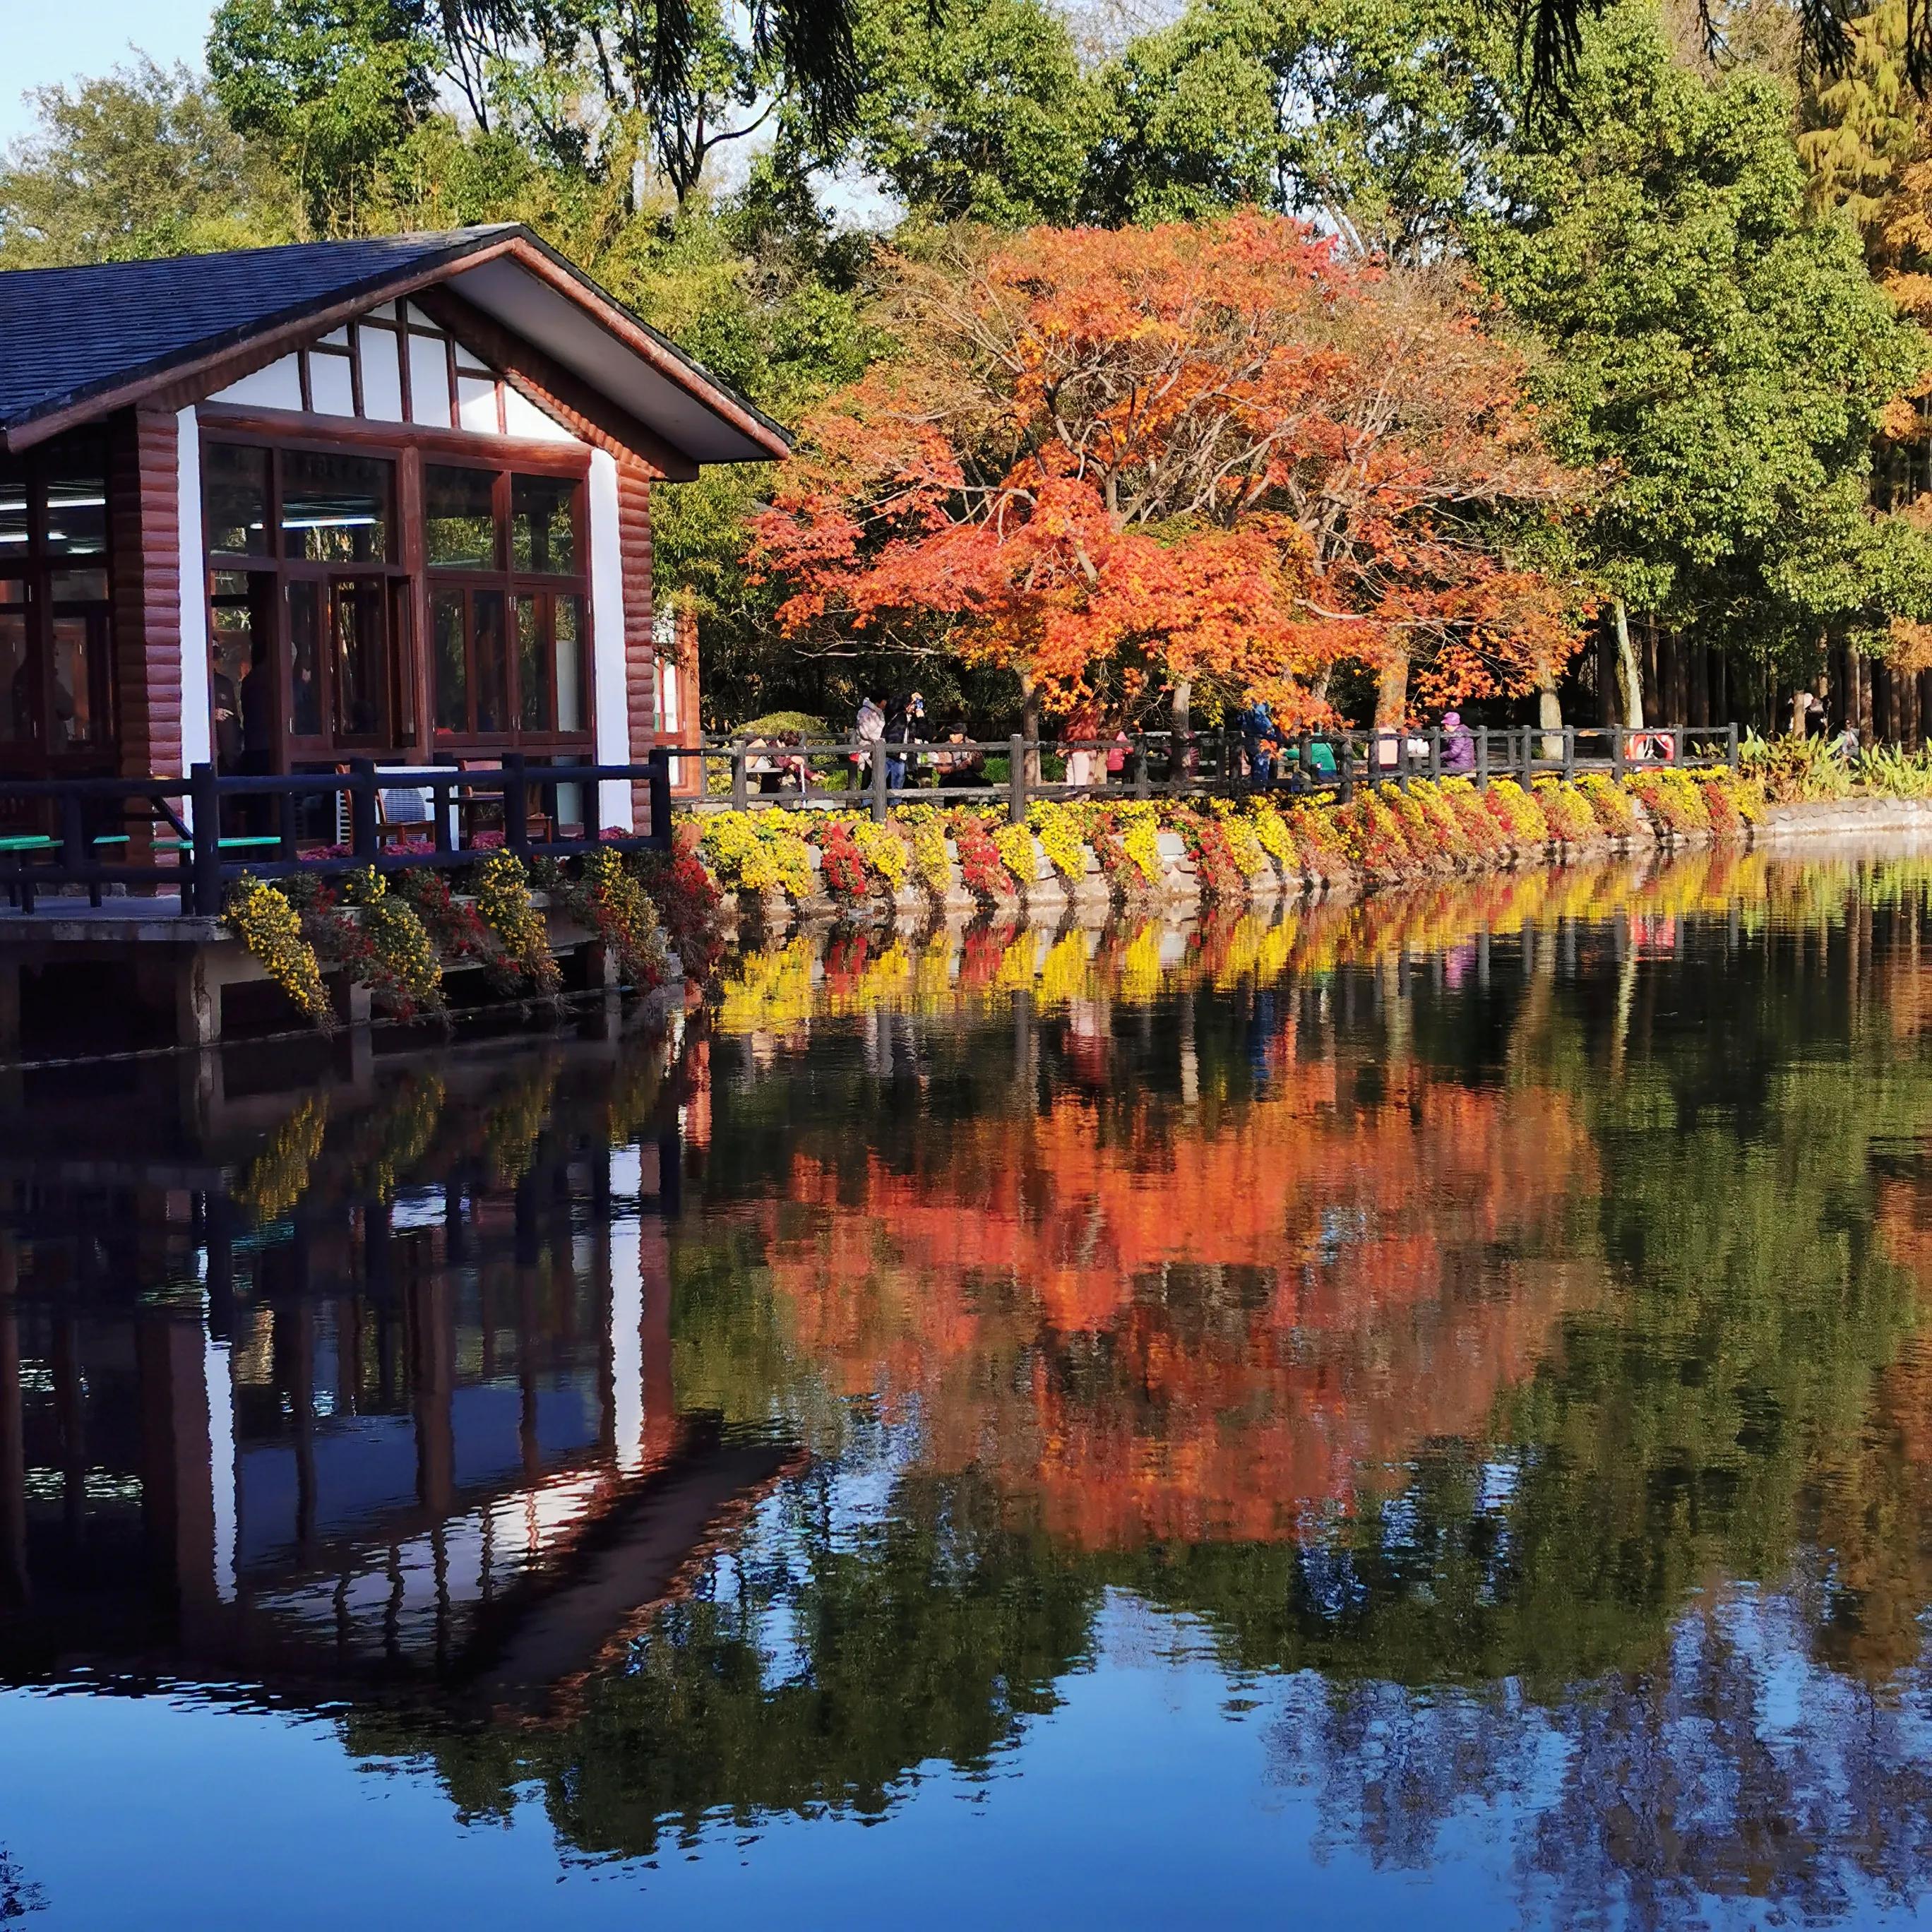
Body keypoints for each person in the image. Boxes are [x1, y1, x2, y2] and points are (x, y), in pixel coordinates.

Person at [883, 690, 924, 790]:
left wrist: (922, 718)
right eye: (913, 703)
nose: (914, 706)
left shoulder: (915, 720)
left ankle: (895, 806)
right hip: (889, 753)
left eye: (916, 704)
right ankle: (866, 805)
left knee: (897, 785)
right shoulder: (895, 714)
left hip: (903, 756)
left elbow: (925, 734)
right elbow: (892, 703)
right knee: (877, 782)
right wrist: (910, 697)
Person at [935, 722, 986, 788]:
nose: (951, 736)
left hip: (970, 776)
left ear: (963, 735)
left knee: (987, 784)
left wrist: (971, 764)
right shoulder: (945, 747)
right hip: (951, 777)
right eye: (951, 734)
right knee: (947, 784)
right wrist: (956, 768)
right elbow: (940, 769)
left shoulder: (973, 744)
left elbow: (981, 767)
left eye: (955, 734)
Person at [1239, 699, 1279, 785]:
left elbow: (1239, 719)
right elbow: (1260, 720)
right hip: (1260, 740)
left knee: (1255, 767)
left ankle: (1257, 791)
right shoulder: (1259, 698)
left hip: (1249, 737)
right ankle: (1260, 791)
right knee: (1261, 768)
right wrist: (1272, 731)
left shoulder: (1246, 698)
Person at [852, 693, 885, 789]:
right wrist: (877, 739)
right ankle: (865, 802)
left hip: (877, 748)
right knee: (867, 777)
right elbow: (863, 731)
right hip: (866, 749)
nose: (886, 703)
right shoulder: (864, 712)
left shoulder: (879, 712)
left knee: (875, 777)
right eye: (884, 700)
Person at [1441, 710, 1476, 775]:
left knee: (1436, 766)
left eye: (1445, 724)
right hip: (1466, 763)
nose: (1444, 727)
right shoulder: (1463, 731)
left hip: (1459, 764)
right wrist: (1447, 737)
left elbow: (1454, 752)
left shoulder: (1458, 734)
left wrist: (1440, 756)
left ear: (1448, 724)